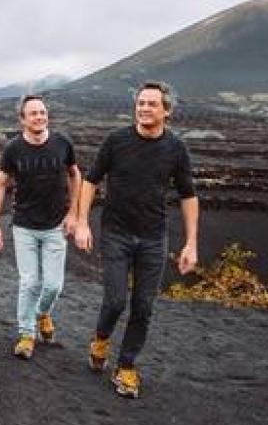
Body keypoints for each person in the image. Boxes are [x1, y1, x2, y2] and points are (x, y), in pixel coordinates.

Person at [73, 80, 199, 399]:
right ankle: (101, 339)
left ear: (166, 111)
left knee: (143, 306)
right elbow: (90, 181)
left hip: (153, 238)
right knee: (115, 301)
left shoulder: (175, 148)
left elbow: (188, 196)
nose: (144, 108)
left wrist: (191, 242)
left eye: (151, 104)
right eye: (140, 103)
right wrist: (83, 222)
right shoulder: (116, 141)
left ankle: (126, 366)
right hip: (116, 233)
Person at [0, 94, 81, 360]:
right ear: (22, 120)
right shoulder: (13, 149)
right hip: (24, 226)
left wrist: (73, 213)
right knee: (29, 282)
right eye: (33, 113)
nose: (39, 116)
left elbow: (75, 175)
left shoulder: (62, 143)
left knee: (53, 286)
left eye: (42, 112)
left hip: (56, 227)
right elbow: (0, 184)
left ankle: (42, 314)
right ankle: (27, 335)